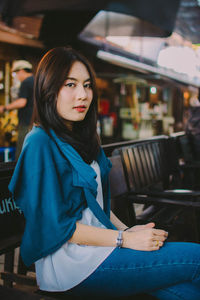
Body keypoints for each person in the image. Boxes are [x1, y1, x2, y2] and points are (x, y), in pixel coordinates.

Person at [9, 47, 200, 300]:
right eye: (70, 84)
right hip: (71, 265)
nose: (83, 95)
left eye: (87, 85)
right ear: (47, 89)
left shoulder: (83, 137)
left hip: (104, 249)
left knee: (187, 291)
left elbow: (96, 205)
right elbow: (57, 227)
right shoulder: (40, 142)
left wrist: (128, 230)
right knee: (196, 259)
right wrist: (124, 239)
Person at [0, 60, 34, 159]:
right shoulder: (35, 80)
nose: (16, 76)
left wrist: (5, 108)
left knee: (21, 151)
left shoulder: (26, 82)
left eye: (16, 73)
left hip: (26, 122)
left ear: (22, 71)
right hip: (35, 121)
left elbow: (22, 102)